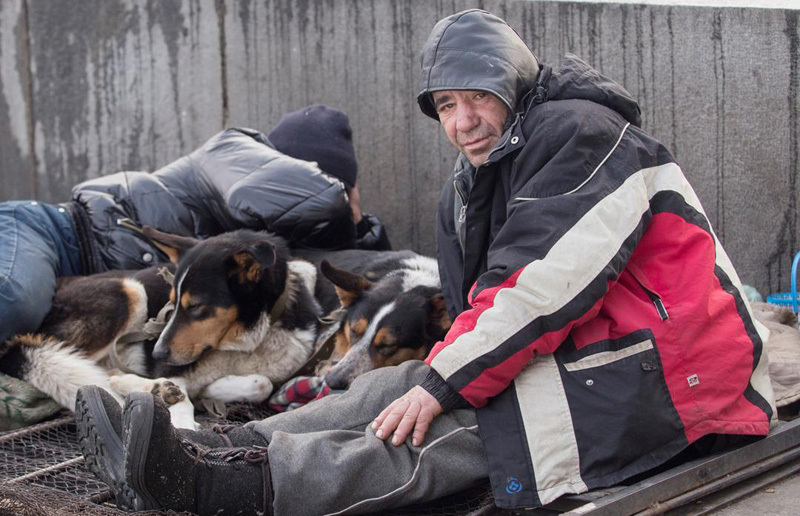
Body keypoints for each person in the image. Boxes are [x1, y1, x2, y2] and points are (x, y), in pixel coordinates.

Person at [76, 9, 775, 516]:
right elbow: (479, 309)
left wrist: (445, 388)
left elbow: (538, 289)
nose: (462, 120)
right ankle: (206, 450)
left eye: (478, 97)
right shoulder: (474, 181)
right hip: (600, 351)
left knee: (458, 427)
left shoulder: (582, 135)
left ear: (515, 86)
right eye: (446, 103)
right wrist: (435, 378)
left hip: (685, 379)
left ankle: (216, 491)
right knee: (405, 384)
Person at [0, 104, 389, 427]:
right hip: (48, 231)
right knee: (15, 301)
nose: (351, 206)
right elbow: (316, 202)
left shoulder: (243, 256)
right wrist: (347, 209)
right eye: (348, 191)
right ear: (304, 169)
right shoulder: (235, 152)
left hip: (86, 286)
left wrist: (368, 245)